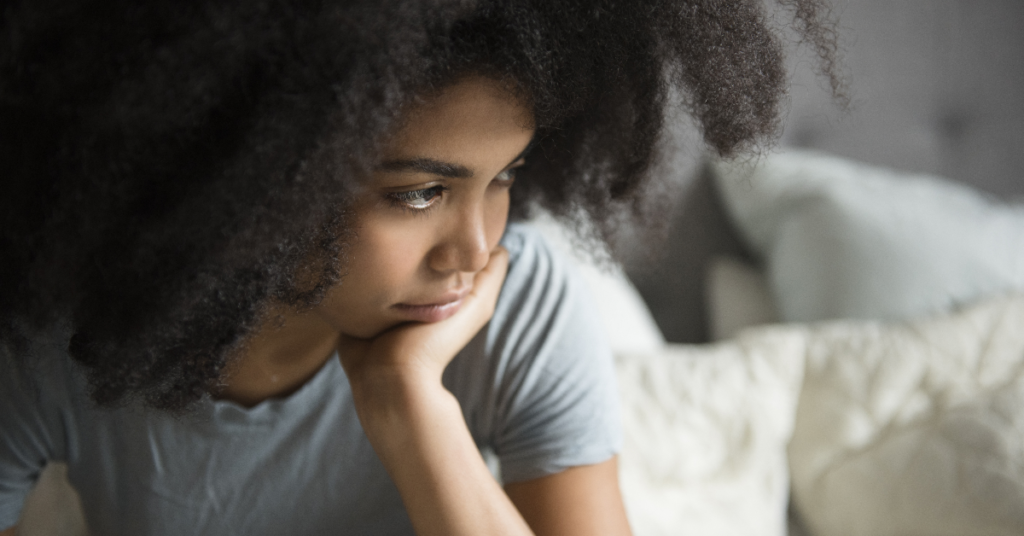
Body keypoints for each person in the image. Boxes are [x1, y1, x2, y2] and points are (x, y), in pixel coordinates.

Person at [0, 0, 840, 534]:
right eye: (417, 194)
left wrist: (410, 410)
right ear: (253, 181)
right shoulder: (59, 343)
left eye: (503, 179)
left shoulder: (522, 295)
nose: (474, 250)